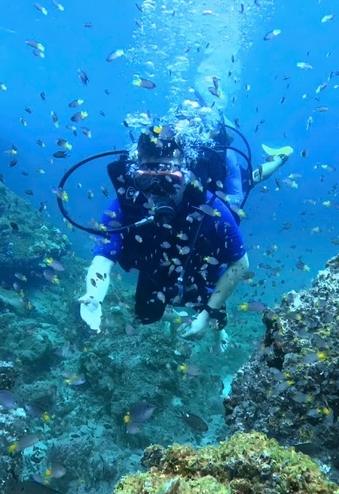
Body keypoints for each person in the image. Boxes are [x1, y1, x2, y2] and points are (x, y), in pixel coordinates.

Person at [77, 124, 249, 348]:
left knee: (217, 319)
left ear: (185, 174)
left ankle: (219, 333)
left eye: (169, 180)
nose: (157, 191)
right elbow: (103, 257)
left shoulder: (210, 207)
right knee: (145, 315)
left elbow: (241, 263)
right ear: (135, 176)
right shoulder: (125, 205)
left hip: (201, 267)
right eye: (146, 180)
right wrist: (94, 295)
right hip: (157, 266)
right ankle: (177, 319)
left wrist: (206, 314)